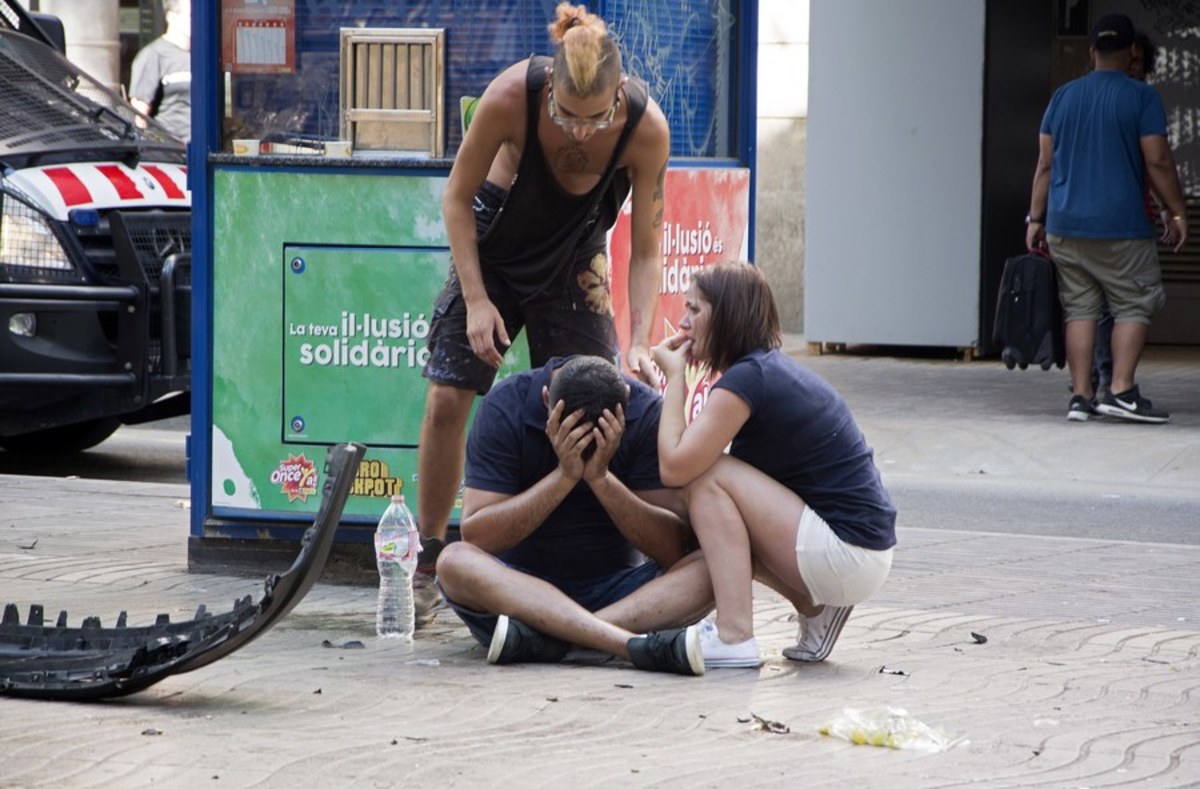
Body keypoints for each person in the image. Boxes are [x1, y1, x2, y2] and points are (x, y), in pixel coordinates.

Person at [414, 2, 670, 624]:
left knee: (593, 397)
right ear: (550, 88)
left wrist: (642, 336)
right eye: (567, 116)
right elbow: (454, 200)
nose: (580, 132)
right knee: (449, 397)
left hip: (576, 256)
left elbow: (646, 247)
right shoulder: (510, 97)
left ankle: (585, 558)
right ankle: (428, 558)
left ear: (618, 100)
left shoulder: (645, 128)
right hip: (495, 245)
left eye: (595, 119)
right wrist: (476, 301)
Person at [651, 262, 896, 669]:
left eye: (694, 310)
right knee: (716, 513)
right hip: (861, 553)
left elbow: (675, 467)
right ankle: (816, 611)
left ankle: (733, 636)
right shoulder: (762, 370)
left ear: (726, 314)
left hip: (851, 553)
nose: (682, 322)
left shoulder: (747, 380)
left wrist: (674, 378)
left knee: (705, 478)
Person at [435, 355, 713, 676]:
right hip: (518, 595)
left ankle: (556, 640)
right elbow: (479, 536)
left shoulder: (647, 412)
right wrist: (564, 477)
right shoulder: (505, 406)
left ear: (625, 400)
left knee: (718, 562)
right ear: (545, 401)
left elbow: (675, 549)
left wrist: (601, 479)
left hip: (622, 597)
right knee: (454, 560)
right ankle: (622, 643)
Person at [1027, 14, 1187, 424]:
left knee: (1079, 309)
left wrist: (1035, 218)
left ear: (1091, 51)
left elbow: (1045, 165)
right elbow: (1157, 159)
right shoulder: (1140, 98)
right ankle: (1120, 390)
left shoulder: (1061, 97)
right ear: (1133, 50)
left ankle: (1081, 396)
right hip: (1121, 227)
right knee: (1134, 302)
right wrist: (1176, 209)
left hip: (1065, 226)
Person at [128, 0, 191, 142]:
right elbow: (140, 113)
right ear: (171, 17)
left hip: (199, 149)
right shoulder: (153, 55)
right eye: (191, 16)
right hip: (170, 150)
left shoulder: (201, 57)